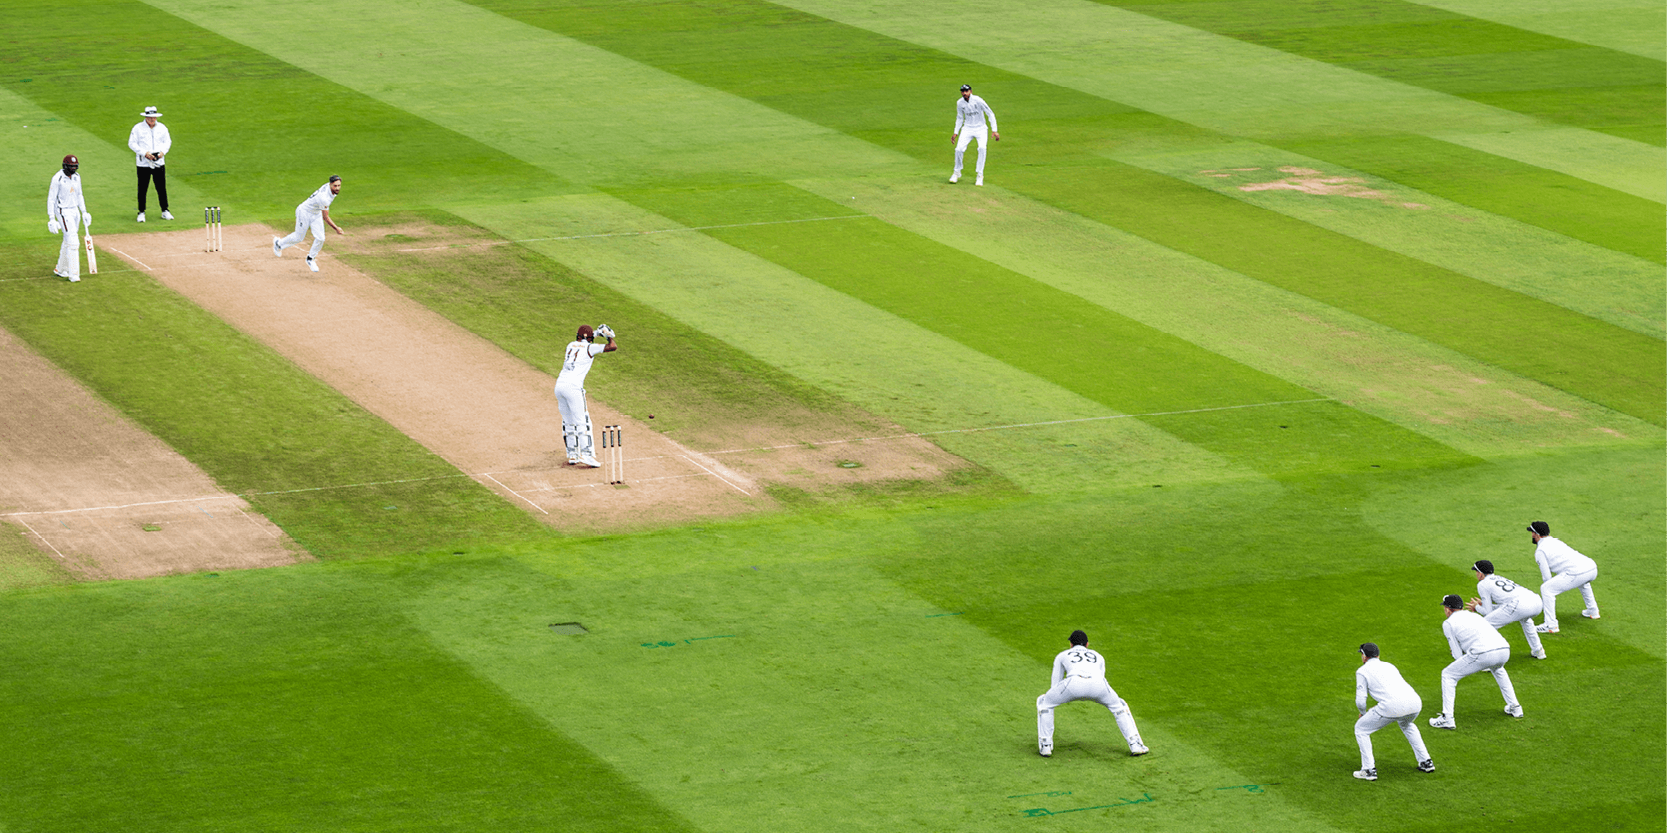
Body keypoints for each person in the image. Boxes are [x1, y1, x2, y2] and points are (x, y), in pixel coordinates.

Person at [1035, 630, 1147, 758]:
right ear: (1087, 644)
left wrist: (1057, 697)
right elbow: (1101, 677)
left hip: (1073, 683)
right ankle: (1135, 744)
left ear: (1071, 644)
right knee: (1119, 706)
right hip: (1099, 685)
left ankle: (1046, 746)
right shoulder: (1098, 655)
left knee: (1044, 703)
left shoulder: (1062, 655)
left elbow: (1055, 684)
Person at [1429, 594, 1521, 730]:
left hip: (1483, 653)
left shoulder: (1448, 623)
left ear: (1448, 609)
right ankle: (1515, 707)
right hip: (1504, 649)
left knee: (1448, 675)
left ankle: (1447, 719)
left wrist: (1465, 655)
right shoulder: (1475, 616)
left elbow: (1457, 655)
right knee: (1498, 669)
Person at [1352, 643, 1434, 781]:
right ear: (1378, 655)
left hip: (1392, 706)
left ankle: (1368, 770)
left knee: (1361, 729)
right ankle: (1426, 761)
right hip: (1414, 702)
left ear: (1364, 656)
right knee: (1407, 725)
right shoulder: (1390, 665)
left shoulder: (1362, 671)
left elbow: (1361, 700)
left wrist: (1363, 713)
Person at [555, 324, 617, 467]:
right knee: (583, 422)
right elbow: (613, 346)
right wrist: (608, 336)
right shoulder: (590, 348)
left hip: (559, 386)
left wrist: (596, 332)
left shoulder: (571, 345)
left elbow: (585, 337)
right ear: (589, 339)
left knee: (568, 421)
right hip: (573, 388)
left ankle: (572, 455)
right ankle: (587, 455)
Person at [1527, 521, 1599, 634]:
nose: (1531, 535)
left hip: (1577, 572)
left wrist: (1552, 588)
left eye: (1532, 532)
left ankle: (1550, 625)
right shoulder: (1556, 541)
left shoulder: (1540, 551)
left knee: (1546, 588)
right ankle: (1593, 611)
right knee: (1583, 581)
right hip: (1591, 567)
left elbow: (1547, 577)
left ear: (1537, 534)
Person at [1467, 559, 1546, 659]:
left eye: (1476, 572)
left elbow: (1488, 612)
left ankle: (1486, 659)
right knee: (1526, 620)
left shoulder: (1482, 584)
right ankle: (1538, 651)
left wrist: (1477, 607)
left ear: (1481, 574)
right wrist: (1483, 605)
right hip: (1536, 601)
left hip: (1519, 605)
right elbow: (1504, 607)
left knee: (1485, 626)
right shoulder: (1499, 578)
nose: (1476, 574)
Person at [273, 176, 345, 272]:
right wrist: (336, 228)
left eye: (339, 185)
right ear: (330, 184)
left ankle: (310, 258)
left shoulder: (330, 189)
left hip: (316, 213)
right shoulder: (324, 198)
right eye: (335, 186)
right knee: (299, 237)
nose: (337, 188)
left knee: (321, 238)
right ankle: (278, 244)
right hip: (304, 212)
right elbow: (326, 217)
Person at [47, 154, 91, 283]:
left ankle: (61, 269)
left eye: (75, 167)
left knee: (68, 239)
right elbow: (51, 199)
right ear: (65, 166)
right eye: (71, 167)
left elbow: (80, 195)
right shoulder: (58, 178)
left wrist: (84, 212)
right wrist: (51, 218)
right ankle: (74, 274)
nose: (73, 170)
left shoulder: (77, 177)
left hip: (75, 211)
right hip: (63, 211)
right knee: (73, 242)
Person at [128, 106, 172, 223]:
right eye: (150, 117)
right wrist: (145, 153)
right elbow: (132, 143)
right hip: (143, 163)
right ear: (146, 117)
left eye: (154, 117)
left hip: (159, 162)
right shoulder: (137, 128)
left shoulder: (162, 128)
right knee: (142, 188)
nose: (152, 119)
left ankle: (165, 211)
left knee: (161, 187)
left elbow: (167, 142)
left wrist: (162, 152)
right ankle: (141, 212)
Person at [951, 84, 999, 187]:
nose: (964, 93)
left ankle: (980, 175)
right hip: (967, 128)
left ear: (970, 91)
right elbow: (959, 118)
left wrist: (994, 130)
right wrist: (956, 132)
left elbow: (990, 113)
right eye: (962, 91)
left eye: (966, 91)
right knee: (958, 149)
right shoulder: (959, 103)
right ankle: (956, 172)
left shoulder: (978, 100)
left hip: (981, 129)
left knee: (982, 148)